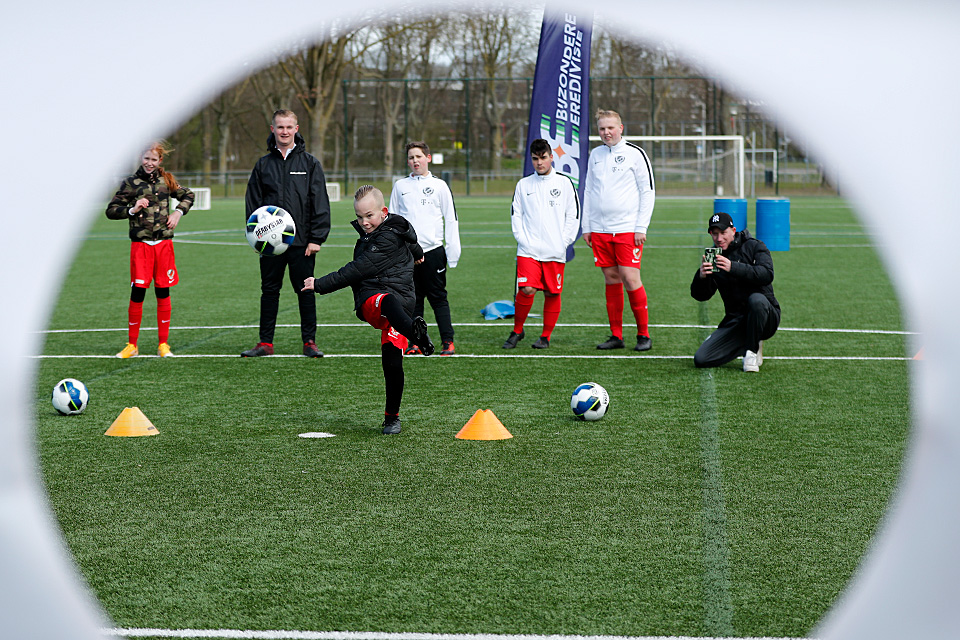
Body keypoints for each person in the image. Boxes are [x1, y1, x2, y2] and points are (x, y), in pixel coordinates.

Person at [302, 186, 435, 435]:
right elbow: (412, 242)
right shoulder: (390, 231)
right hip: (372, 301)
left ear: (384, 212)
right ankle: (417, 335)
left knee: (392, 363)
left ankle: (392, 418)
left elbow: (356, 269)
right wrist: (417, 253)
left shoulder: (385, 238)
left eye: (369, 216)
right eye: (359, 216)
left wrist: (318, 284)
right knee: (386, 301)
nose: (364, 222)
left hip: (400, 305)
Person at [242, 109, 330, 358]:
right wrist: (256, 236)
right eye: (280, 127)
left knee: (305, 290)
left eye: (289, 127)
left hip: (302, 243)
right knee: (269, 291)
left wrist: (316, 238)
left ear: (296, 129)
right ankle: (265, 343)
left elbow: (319, 202)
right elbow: (253, 204)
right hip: (270, 244)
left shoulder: (310, 163)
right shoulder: (263, 165)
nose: (284, 131)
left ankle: (309, 342)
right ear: (273, 129)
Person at [105, 141, 195, 358]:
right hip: (141, 246)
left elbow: (188, 195)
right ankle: (132, 345)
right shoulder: (131, 183)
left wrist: (178, 213)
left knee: (163, 291)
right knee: (138, 292)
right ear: (140, 157)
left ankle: (163, 344)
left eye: (154, 159)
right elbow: (111, 210)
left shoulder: (167, 181)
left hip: (163, 245)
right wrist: (132, 209)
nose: (149, 163)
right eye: (146, 158)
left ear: (160, 161)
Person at [581, 109, 656, 352]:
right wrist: (587, 226)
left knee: (630, 277)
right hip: (601, 230)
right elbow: (589, 191)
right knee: (611, 278)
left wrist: (640, 226)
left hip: (627, 229)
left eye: (611, 128)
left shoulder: (636, 154)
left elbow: (647, 191)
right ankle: (616, 335)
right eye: (602, 128)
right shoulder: (595, 155)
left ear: (621, 128)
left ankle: (643, 334)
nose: (606, 133)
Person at [502, 139, 580, 350]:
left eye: (543, 158)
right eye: (535, 159)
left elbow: (573, 215)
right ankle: (517, 330)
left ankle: (545, 336)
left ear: (551, 157)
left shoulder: (564, 183)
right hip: (528, 250)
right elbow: (515, 215)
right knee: (526, 289)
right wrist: (522, 240)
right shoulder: (523, 184)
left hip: (555, 250)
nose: (539, 163)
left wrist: (564, 242)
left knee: (552, 293)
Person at [389, 141, 460, 356]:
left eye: (418, 156)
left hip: (434, 252)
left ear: (428, 158)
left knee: (438, 298)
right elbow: (393, 220)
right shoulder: (400, 186)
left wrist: (453, 251)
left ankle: (448, 341)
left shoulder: (439, 186)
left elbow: (451, 218)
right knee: (413, 299)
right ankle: (416, 342)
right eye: (411, 157)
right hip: (408, 254)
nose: (415, 161)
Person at [691, 211, 781, 372]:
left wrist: (733, 267)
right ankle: (747, 340)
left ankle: (752, 350)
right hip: (737, 320)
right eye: (715, 234)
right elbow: (701, 296)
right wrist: (702, 276)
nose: (719, 239)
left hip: (767, 317)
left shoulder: (754, 246)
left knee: (757, 300)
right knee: (702, 358)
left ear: (733, 231)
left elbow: (767, 274)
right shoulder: (714, 256)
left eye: (723, 233)